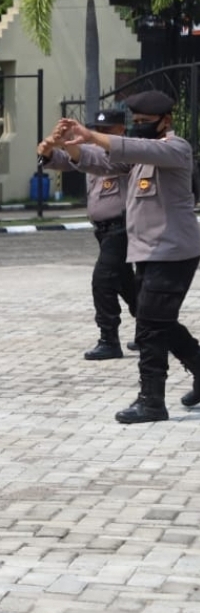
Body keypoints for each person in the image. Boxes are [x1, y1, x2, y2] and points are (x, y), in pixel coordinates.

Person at [53, 91, 200, 423]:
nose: (140, 130)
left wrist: (94, 135)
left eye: (146, 123)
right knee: (155, 320)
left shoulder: (176, 149)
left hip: (174, 252)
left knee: (149, 325)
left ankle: (151, 401)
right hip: (148, 252)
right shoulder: (137, 157)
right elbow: (99, 161)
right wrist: (72, 144)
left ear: (165, 121)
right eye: (137, 123)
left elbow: (137, 147)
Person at [38, 109, 137, 359]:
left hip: (121, 228)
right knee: (128, 285)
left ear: (120, 131)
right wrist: (50, 147)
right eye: (98, 129)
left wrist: (75, 144)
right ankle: (154, 329)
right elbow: (64, 160)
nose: (100, 134)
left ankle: (109, 340)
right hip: (103, 232)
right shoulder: (93, 152)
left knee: (102, 281)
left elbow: (90, 157)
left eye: (107, 130)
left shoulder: (127, 153)